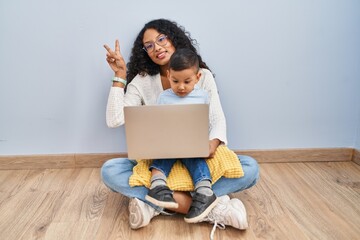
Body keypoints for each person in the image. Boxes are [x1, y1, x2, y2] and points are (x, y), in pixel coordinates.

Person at [101, 18, 259, 231]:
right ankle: (210, 208)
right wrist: (120, 76)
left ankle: (156, 205)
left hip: (197, 157)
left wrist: (211, 145)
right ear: (145, 52)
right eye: (149, 45)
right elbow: (114, 120)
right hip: (159, 161)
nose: (156, 47)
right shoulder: (142, 80)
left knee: (250, 168)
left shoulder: (203, 76)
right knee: (110, 170)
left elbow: (217, 119)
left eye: (161, 39)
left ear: (173, 38)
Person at [146, 48, 218, 223]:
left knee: (196, 160)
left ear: (198, 78)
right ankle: (158, 187)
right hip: (169, 143)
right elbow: (159, 123)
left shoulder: (202, 96)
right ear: (169, 74)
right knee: (162, 157)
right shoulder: (163, 97)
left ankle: (204, 192)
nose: (181, 87)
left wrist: (207, 142)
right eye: (175, 81)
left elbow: (207, 122)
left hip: (192, 144)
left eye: (187, 81)